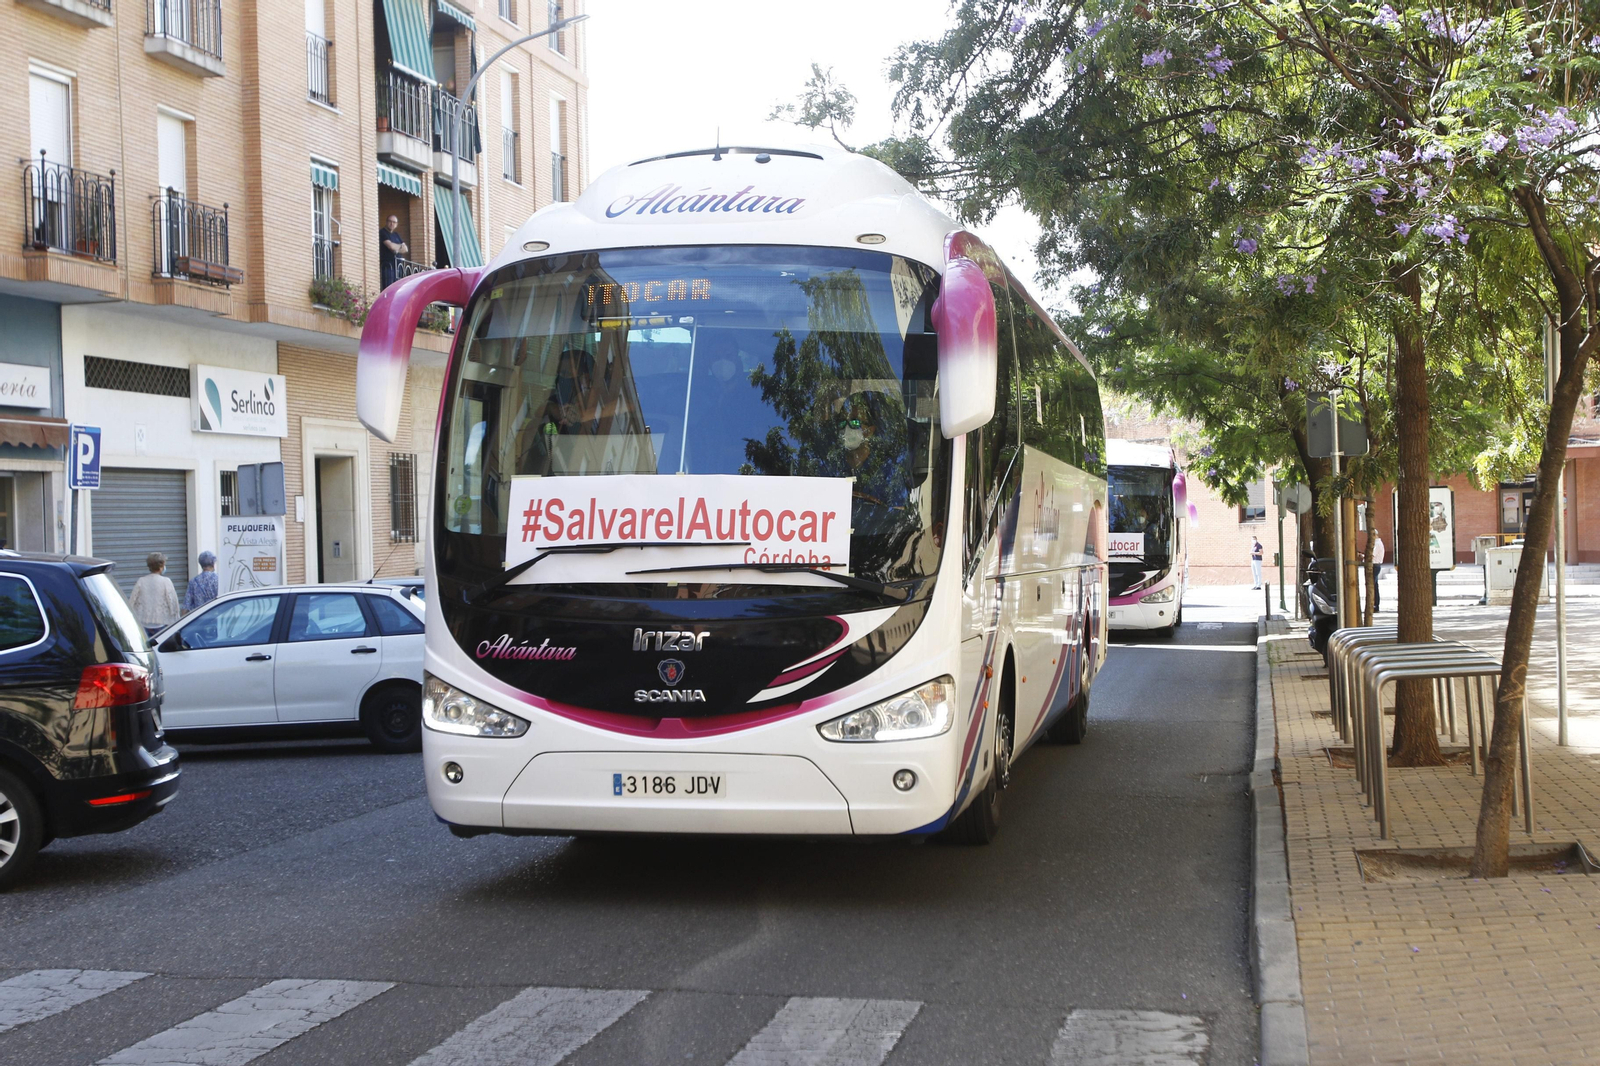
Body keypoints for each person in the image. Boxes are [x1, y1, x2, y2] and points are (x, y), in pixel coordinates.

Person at [128, 552, 180, 637]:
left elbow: (132, 602)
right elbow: (173, 605)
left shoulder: (141, 581)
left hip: (143, 624)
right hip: (162, 625)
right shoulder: (166, 582)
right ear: (161, 566)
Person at [379, 214, 409, 290]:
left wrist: (396, 248)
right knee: (389, 289)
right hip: (388, 266)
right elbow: (390, 246)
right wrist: (400, 246)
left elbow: (405, 249)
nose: (392, 224)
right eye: (390, 221)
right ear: (386, 222)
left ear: (396, 224)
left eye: (394, 222)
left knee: (398, 288)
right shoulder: (382, 232)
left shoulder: (396, 235)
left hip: (398, 266)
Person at [1367, 532, 1385, 611]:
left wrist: (1364, 556)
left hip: (1375, 565)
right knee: (1375, 585)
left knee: (1373, 586)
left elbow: (1371, 555)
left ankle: (1375, 605)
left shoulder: (1377, 544)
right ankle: (1375, 605)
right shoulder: (1378, 543)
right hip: (1376, 565)